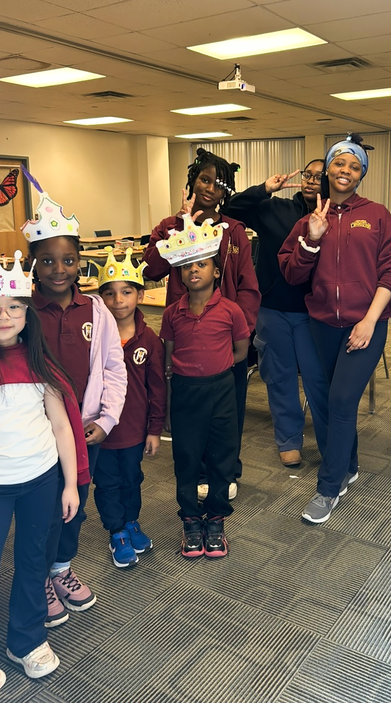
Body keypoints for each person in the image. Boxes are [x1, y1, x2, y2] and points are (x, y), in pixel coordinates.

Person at [0, 244, 84, 703]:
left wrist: (70, 482)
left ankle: (27, 640)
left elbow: (61, 426)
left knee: (34, 563)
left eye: (14, 306)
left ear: (26, 312)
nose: (3, 315)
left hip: (41, 483)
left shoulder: (39, 361)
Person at [279, 133, 391, 524]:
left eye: (354, 166)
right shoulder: (308, 219)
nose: (345, 170)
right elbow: (290, 272)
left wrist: (369, 319)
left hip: (365, 324)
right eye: (339, 163)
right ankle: (348, 464)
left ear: (361, 173)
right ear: (328, 169)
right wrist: (311, 242)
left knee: (341, 402)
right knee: (331, 403)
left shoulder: (378, 214)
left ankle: (328, 487)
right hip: (321, 325)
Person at [22, 189, 127, 626]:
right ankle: (39, 576)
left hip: (85, 432)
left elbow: (113, 366)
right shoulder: (23, 311)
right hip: (39, 435)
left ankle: (61, 568)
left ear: (80, 261)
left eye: (67, 260)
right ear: (33, 264)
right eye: (47, 261)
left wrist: (107, 419)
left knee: (75, 505)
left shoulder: (97, 309)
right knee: (42, 509)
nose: (58, 269)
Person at [143, 148, 260, 499]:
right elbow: (150, 269)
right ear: (192, 181)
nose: (209, 188)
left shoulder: (235, 232)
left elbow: (248, 288)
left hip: (226, 340)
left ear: (226, 192)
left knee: (228, 411)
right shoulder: (171, 227)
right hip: (186, 336)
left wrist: (239, 331)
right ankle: (196, 470)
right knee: (190, 411)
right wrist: (176, 226)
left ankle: (227, 469)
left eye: (217, 184)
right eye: (204, 180)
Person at [225, 159, 329, 466]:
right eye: (308, 175)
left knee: (318, 379)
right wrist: (264, 189)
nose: (311, 181)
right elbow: (231, 209)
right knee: (279, 377)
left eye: (319, 177)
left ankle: (328, 441)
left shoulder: (336, 216)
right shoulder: (275, 209)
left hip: (316, 312)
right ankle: (288, 439)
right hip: (274, 308)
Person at [159, 219, 249, 559]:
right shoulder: (172, 314)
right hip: (185, 392)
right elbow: (168, 361)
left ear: (215, 271)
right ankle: (191, 520)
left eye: (202, 264)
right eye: (187, 266)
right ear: (180, 273)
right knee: (186, 458)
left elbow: (240, 351)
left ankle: (216, 519)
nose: (194, 270)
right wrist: (168, 407)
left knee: (222, 458)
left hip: (221, 389)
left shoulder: (231, 311)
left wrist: (218, 366)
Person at [94, 248, 166, 567]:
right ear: (101, 299)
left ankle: (131, 521)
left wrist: (154, 430)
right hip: (101, 432)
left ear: (139, 295)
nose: (118, 300)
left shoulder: (149, 340)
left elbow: (157, 388)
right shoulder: (93, 338)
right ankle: (116, 531)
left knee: (132, 478)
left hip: (135, 430)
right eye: (109, 293)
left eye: (126, 292)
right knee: (107, 482)